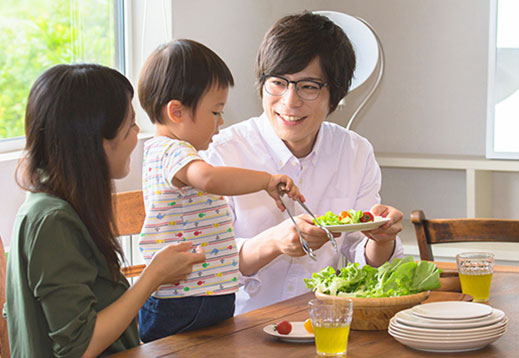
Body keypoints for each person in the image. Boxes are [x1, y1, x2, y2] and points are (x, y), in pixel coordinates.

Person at [201, 11, 405, 315]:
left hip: (323, 323)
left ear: (334, 94)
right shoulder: (220, 154)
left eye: (308, 86)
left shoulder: (354, 152)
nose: (289, 101)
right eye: (278, 83)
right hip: (239, 327)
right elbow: (207, 265)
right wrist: (274, 242)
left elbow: (362, 258)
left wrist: (382, 239)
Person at [4, 63, 206, 357]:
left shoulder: (56, 205)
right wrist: (153, 278)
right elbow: (79, 347)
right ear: (97, 144)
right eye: (130, 126)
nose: (137, 134)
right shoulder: (52, 222)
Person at [136, 39, 303, 342]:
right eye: (215, 112)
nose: (221, 122)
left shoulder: (176, 152)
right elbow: (210, 179)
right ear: (176, 112)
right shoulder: (170, 151)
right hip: (182, 301)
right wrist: (265, 180)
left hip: (206, 295)